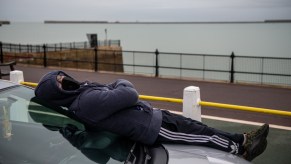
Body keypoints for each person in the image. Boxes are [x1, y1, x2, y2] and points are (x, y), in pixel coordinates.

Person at [35, 70, 269, 161]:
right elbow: (129, 93)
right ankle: (242, 150)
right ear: (57, 93)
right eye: (59, 83)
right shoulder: (85, 101)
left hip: (151, 117)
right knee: (202, 137)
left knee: (203, 130)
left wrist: (111, 90)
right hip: (152, 127)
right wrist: (116, 83)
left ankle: (241, 138)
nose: (63, 80)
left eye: (60, 76)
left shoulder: (82, 96)